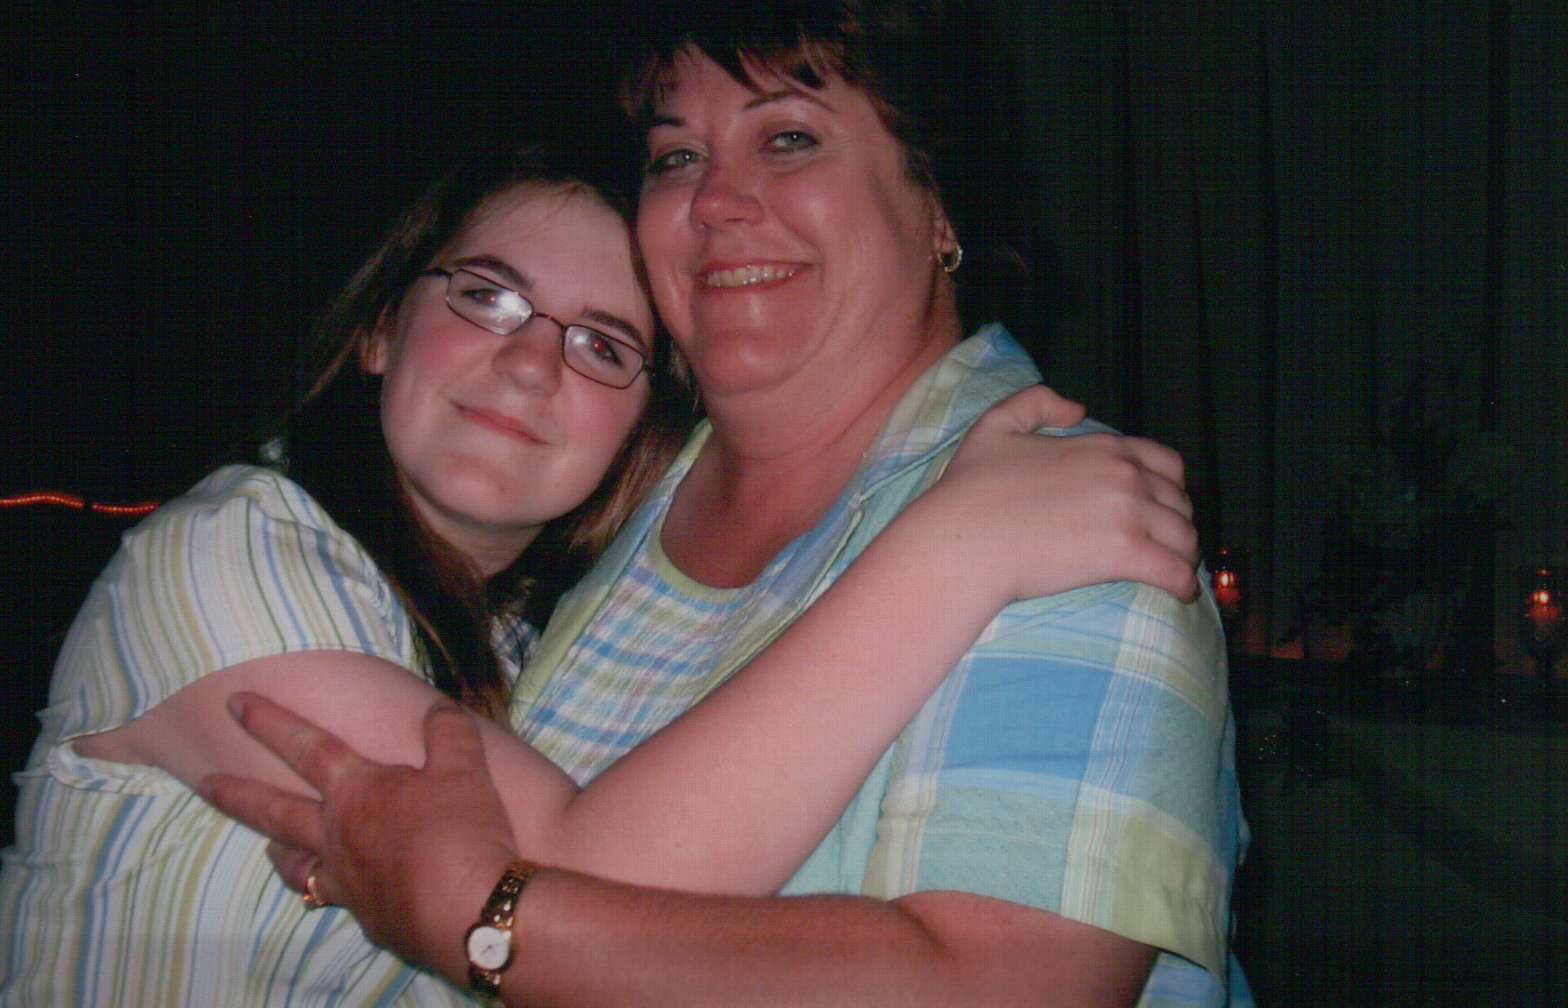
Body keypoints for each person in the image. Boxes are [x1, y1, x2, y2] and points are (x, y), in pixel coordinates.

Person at [205, 3, 1251, 1006]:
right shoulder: (613, 490)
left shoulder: (1068, 520)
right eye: (675, 157)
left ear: (940, 203)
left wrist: (485, 923)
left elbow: (1005, 988)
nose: (714, 200)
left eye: (788, 138)